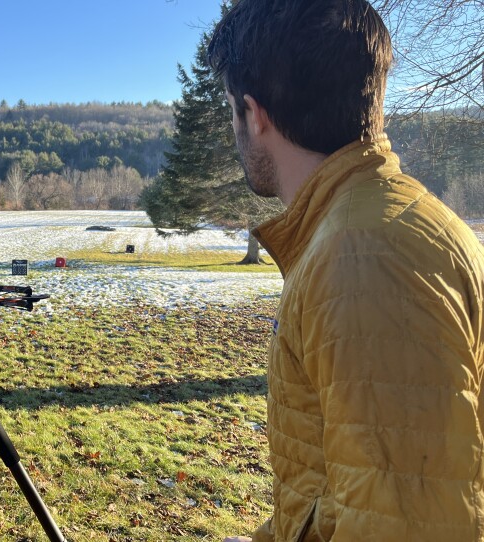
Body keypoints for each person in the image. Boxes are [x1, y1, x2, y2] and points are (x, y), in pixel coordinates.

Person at [205, 1, 484, 541]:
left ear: (254, 113)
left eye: (231, 111)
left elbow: (409, 527)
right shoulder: (375, 228)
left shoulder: (368, 259)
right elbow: (345, 494)